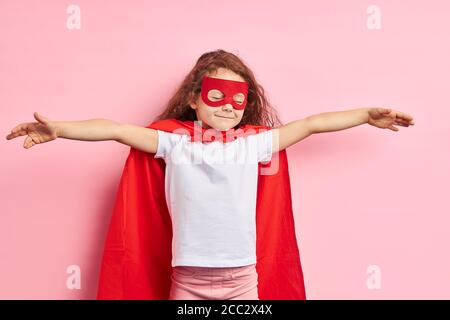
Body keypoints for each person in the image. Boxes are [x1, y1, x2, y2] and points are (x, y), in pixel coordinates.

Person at [5, 49, 414, 300]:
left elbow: (310, 124)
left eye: (237, 99)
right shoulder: (173, 144)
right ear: (194, 100)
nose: (226, 105)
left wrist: (364, 115)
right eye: (215, 95)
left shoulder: (253, 146)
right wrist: (60, 129)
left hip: (241, 277)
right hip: (187, 276)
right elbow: (113, 128)